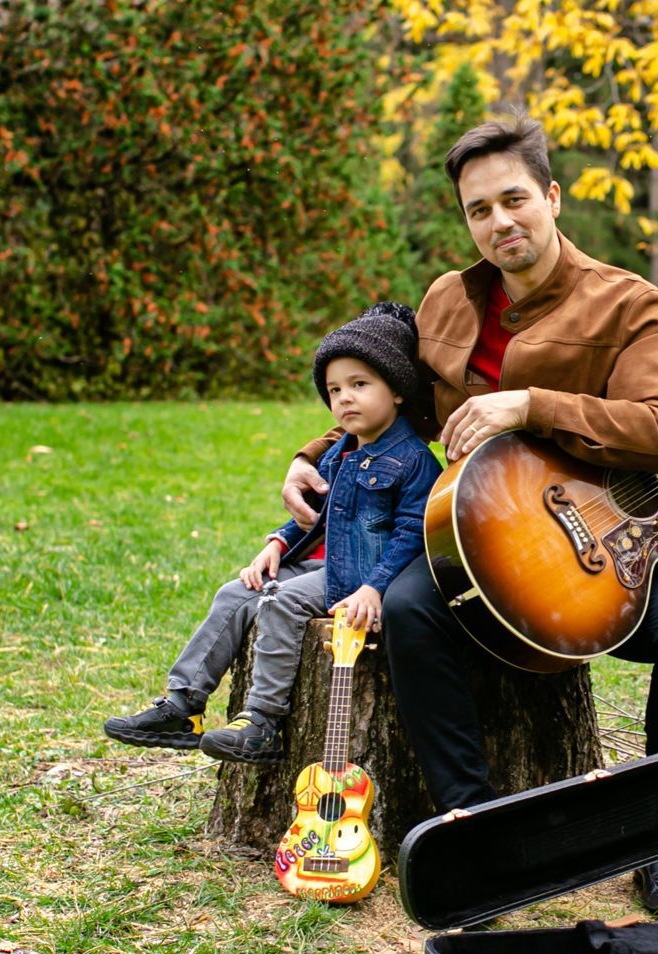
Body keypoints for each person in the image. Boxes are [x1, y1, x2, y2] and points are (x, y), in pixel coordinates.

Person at [281, 110, 658, 919]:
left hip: (595, 555)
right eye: (478, 210)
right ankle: (476, 827)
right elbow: (397, 406)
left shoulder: (630, 304)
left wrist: (530, 405)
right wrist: (316, 455)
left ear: (552, 197)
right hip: (474, 542)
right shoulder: (448, 300)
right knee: (412, 611)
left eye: (514, 200)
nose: (499, 223)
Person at [104, 302, 442, 765]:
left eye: (360, 385)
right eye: (335, 389)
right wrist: (278, 544)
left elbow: (412, 534)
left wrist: (374, 588)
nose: (345, 398)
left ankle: (262, 722)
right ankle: (183, 706)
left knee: (281, 602)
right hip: (323, 560)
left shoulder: (413, 460)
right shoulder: (339, 452)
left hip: (358, 575)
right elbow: (313, 513)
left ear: (398, 390)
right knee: (233, 594)